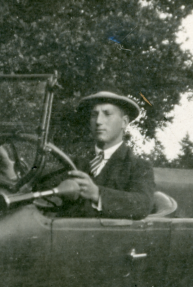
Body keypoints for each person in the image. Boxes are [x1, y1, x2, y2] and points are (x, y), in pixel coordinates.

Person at [55, 91, 155, 219]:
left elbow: (142, 205)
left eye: (107, 114)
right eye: (94, 115)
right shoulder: (74, 163)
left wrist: (97, 193)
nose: (98, 121)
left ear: (124, 122)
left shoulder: (138, 166)